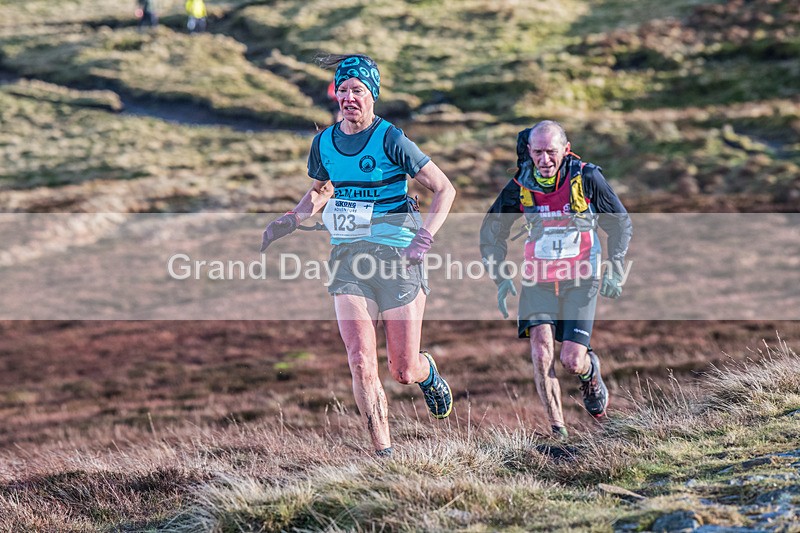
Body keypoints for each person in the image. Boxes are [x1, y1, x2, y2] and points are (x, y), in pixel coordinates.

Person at [261, 54, 457, 457]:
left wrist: (425, 238)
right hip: (349, 258)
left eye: (358, 91)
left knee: (401, 370)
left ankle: (427, 371)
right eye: (344, 90)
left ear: (373, 96)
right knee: (361, 360)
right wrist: (287, 221)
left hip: (399, 258)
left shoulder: (391, 139)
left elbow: (444, 188)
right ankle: (383, 453)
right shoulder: (324, 143)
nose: (350, 97)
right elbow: (319, 191)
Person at [479, 120, 632, 440]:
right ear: (529, 152)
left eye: (551, 152)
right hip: (538, 280)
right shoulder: (520, 183)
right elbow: (492, 230)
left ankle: (590, 372)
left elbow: (619, 222)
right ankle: (558, 429)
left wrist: (615, 264)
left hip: (581, 277)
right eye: (538, 152)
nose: (544, 160)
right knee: (540, 350)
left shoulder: (587, 177)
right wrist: (499, 275)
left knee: (571, 360)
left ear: (566, 149)